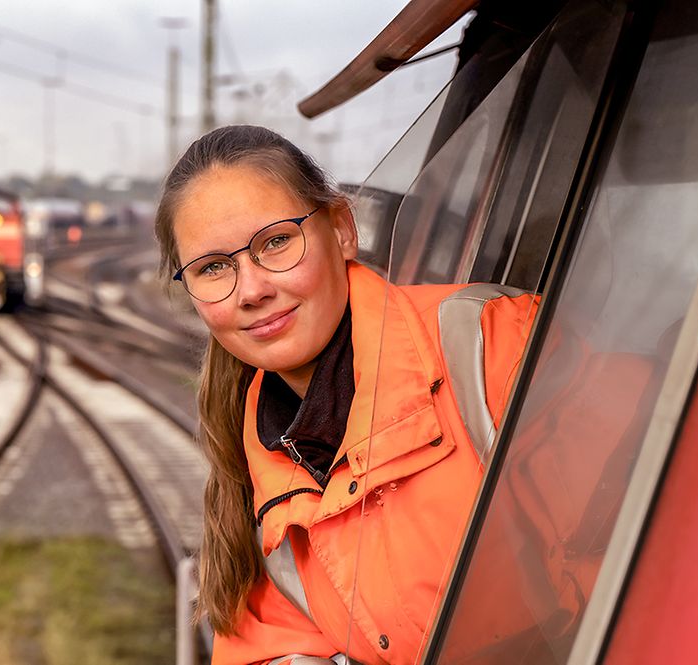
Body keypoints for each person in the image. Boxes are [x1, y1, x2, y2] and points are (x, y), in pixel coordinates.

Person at [154, 125, 538, 665]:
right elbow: (269, 647)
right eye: (213, 267)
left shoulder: (494, 346)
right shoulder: (259, 465)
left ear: (341, 229)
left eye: (276, 242)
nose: (252, 290)